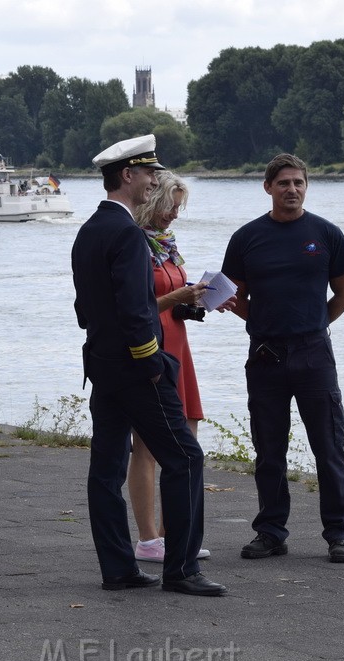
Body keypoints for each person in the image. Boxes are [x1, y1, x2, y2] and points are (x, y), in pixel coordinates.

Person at [71, 134, 227, 597]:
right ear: (128, 176)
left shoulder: (89, 230)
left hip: (101, 366)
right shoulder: (127, 233)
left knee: (106, 470)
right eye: (150, 173)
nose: (155, 181)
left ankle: (118, 569)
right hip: (137, 370)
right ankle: (181, 569)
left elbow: (85, 310)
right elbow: (136, 311)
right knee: (186, 458)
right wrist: (152, 361)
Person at [221, 153, 344, 564]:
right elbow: (232, 298)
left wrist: (312, 326)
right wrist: (265, 323)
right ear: (268, 188)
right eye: (283, 183)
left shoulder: (326, 234)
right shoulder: (247, 238)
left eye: (298, 183)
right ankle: (271, 532)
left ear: (306, 187)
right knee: (269, 449)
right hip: (265, 356)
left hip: (314, 354)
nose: (292, 190)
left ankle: (339, 534)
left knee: (328, 447)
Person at [127, 171, 212, 563]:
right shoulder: (135, 244)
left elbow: (170, 300)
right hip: (152, 348)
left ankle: (172, 533)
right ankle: (147, 539)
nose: (174, 214)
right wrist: (178, 294)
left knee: (187, 439)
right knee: (146, 447)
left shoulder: (167, 245)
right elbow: (136, 308)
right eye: (169, 206)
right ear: (150, 199)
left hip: (178, 344)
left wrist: (197, 302)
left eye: (178, 207)